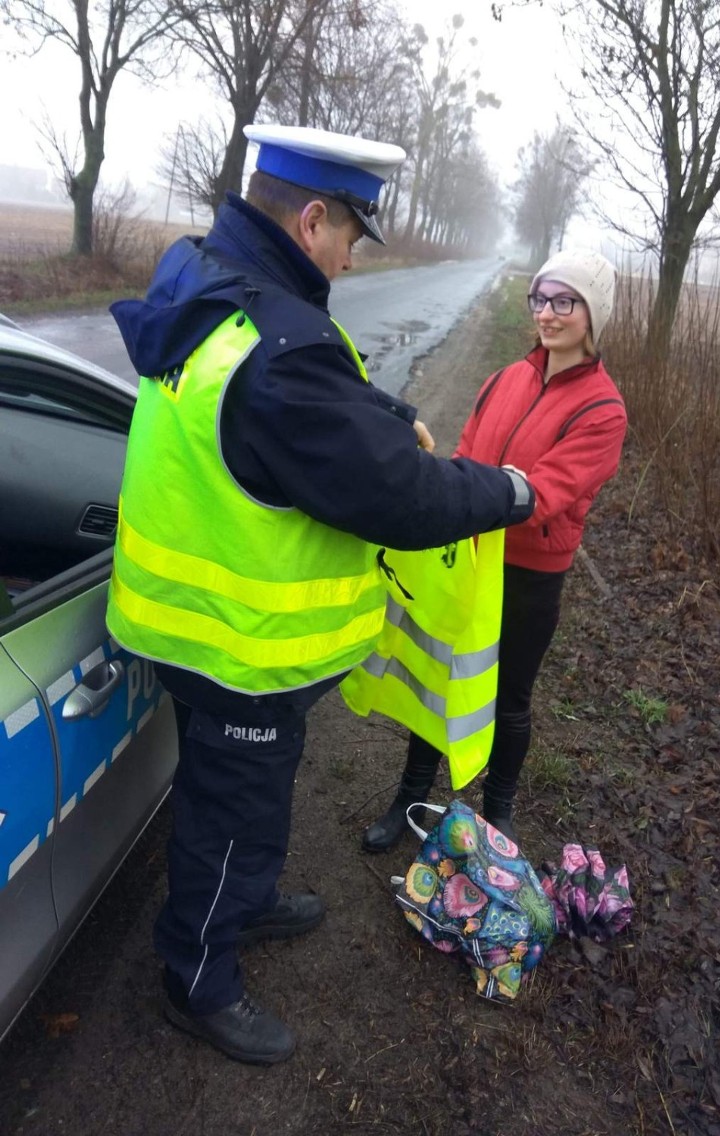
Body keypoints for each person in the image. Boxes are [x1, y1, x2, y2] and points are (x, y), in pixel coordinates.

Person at [105, 124, 536, 1066]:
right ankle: (197, 978)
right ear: (310, 220)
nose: (351, 253)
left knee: (247, 791)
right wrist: (502, 492)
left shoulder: (207, 281)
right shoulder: (280, 345)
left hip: (193, 621)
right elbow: (402, 495)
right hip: (236, 645)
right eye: (351, 234)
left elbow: (307, 409)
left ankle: (245, 902)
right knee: (225, 809)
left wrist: (382, 415)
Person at [362, 249, 627, 853]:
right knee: (440, 677)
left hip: (530, 575)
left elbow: (547, 494)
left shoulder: (603, 410)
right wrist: (437, 491)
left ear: (593, 313)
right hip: (469, 556)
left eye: (566, 302)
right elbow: (466, 457)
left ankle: (498, 813)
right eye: (542, 299)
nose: (549, 314)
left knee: (510, 698)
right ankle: (411, 798)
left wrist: (472, 491)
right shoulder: (505, 378)